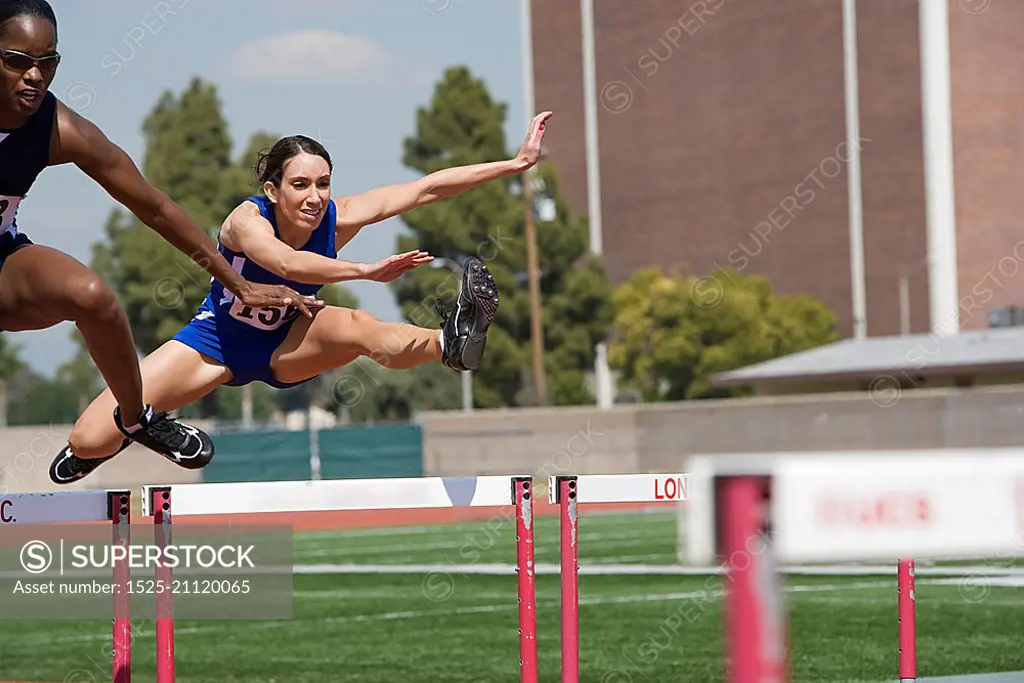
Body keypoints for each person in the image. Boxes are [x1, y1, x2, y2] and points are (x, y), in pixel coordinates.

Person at [49, 110, 554, 483]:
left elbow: (424, 189)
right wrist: (363, 268)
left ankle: (450, 343)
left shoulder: (337, 217)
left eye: (324, 184)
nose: (315, 197)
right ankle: (140, 427)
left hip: (288, 343)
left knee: (361, 329)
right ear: (273, 190)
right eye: (301, 185)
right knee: (88, 439)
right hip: (215, 343)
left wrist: (513, 165)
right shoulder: (245, 222)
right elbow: (286, 264)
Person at [0, 0, 323, 471]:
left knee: (93, 296)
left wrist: (239, 285)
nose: (35, 76)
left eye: (47, 63)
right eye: (17, 61)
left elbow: (153, 206)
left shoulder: (59, 128)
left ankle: (134, 420)